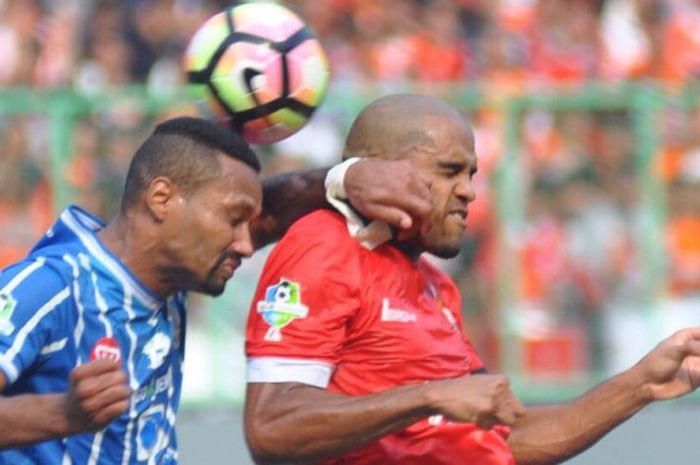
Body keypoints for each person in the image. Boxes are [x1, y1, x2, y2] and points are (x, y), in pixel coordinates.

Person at [244, 94, 700, 465]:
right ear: (381, 170)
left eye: (471, 174)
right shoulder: (324, 245)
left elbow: (504, 440)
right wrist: (430, 397)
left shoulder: (435, 286)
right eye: (449, 171)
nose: (468, 190)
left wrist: (642, 382)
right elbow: (273, 427)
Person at [0, 116, 433, 464]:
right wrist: (63, 414)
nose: (248, 243)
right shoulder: (50, 285)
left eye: (249, 224)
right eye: (233, 219)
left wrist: (343, 180)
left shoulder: (165, 282)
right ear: (162, 198)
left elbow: (271, 211)